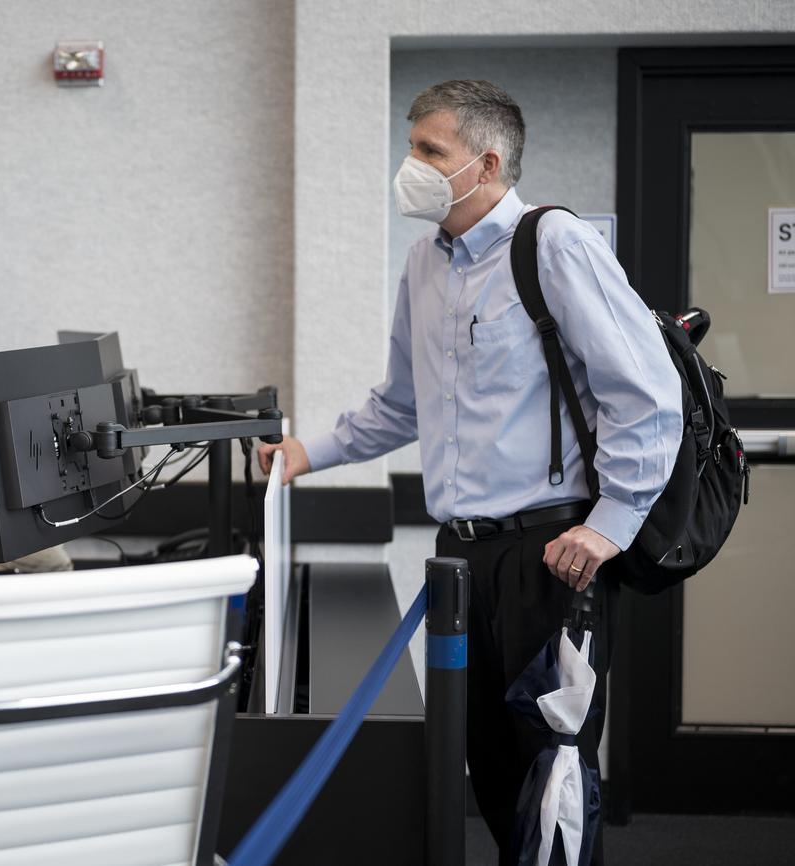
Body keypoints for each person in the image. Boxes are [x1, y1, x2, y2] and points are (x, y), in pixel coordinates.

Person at [259, 80, 682, 864]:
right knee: (487, 767)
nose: (409, 165)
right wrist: (304, 455)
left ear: (485, 164)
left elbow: (647, 393)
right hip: (462, 556)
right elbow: (400, 404)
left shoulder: (555, 245)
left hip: (553, 552)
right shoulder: (425, 262)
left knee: (550, 769)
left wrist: (610, 524)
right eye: (411, 146)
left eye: (429, 151)